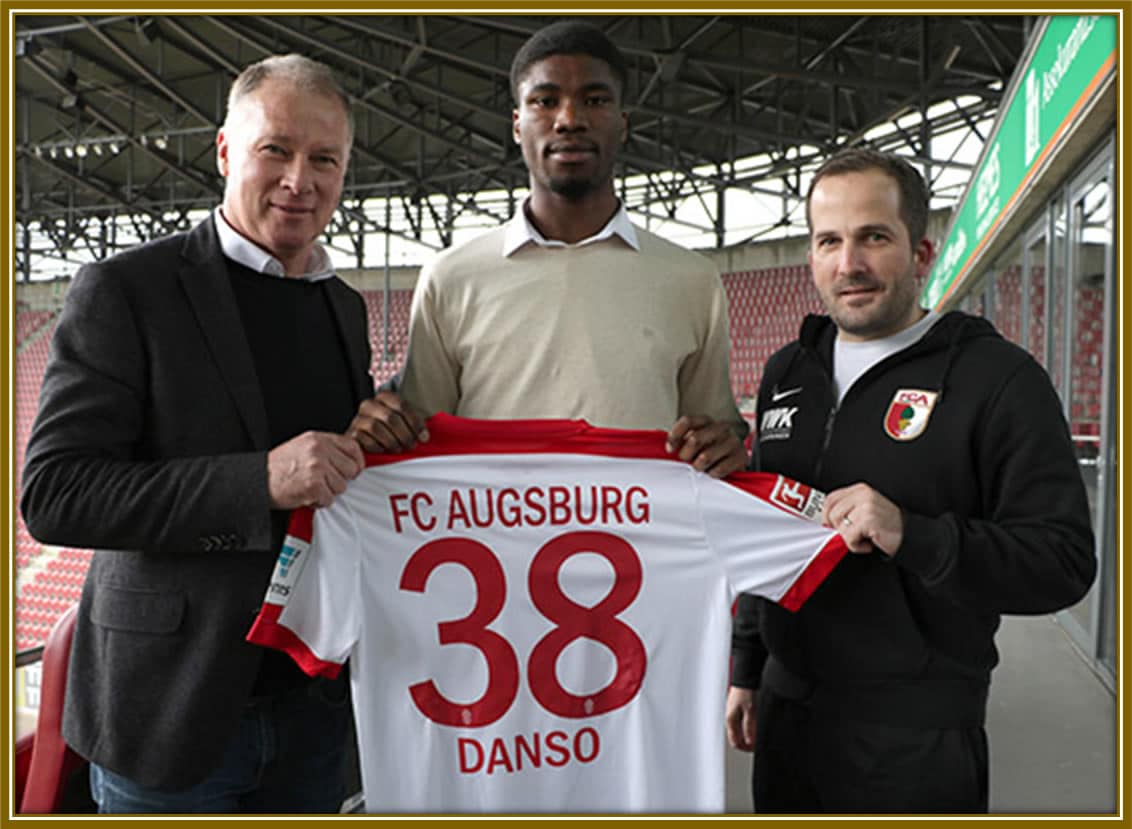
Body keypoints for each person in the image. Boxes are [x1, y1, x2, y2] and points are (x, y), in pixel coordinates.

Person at [21, 54, 374, 813]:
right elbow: (56, 494)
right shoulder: (126, 289)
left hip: (313, 707)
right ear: (223, 150)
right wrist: (258, 480)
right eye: (275, 149)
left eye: (324, 159)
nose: (298, 180)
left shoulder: (342, 306)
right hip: (172, 713)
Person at [723, 147, 1096, 813]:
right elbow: (766, 532)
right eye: (828, 241)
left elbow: (1062, 562)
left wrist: (912, 534)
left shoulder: (998, 380)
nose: (849, 263)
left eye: (873, 237)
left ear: (921, 253)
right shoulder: (788, 371)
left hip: (916, 740)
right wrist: (748, 668)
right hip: (787, 715)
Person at [351, 19, 747, 475]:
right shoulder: (451, 277)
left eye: (594, 100)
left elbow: (717, 434)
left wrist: (725, 446)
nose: (569, 120)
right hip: (491, 542)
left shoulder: (692, 279)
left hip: (640, 543)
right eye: (545, 101)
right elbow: (422, 439)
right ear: (518, 125)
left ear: (622, 123)